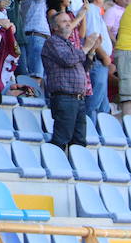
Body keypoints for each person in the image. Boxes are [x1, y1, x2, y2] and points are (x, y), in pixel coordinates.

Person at [43, 11, 100, 150]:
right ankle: (56, 167)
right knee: (61, 138)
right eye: (64, 21)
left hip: (77, 98)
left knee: (79, 141)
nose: (68, 23)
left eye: (69, 21)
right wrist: (86, 47)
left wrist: (91, 51)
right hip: (64, 97)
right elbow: (68, 60)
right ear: (55, 27)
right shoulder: (52, 41)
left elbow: (83, 68)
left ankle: (74, 169)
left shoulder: (70, 44)